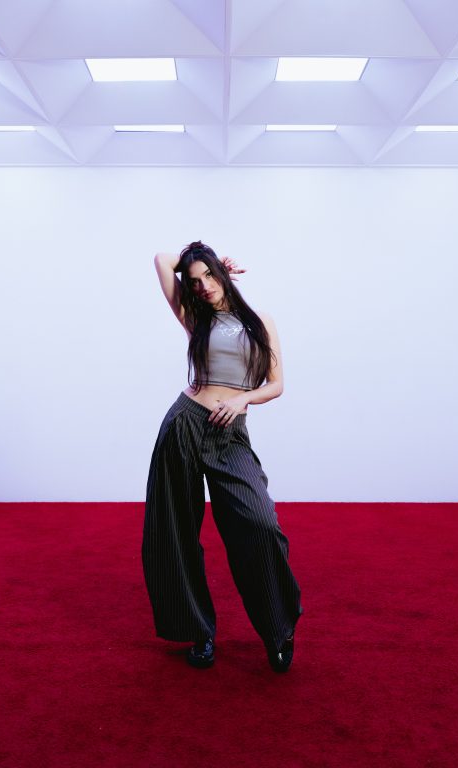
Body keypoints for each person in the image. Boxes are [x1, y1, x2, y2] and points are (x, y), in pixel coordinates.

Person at [143, 241, 303, 673]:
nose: (203, 286)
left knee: (260, 523)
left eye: (209, 276)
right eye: (195, 281)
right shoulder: (195, 318)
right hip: (185, 423)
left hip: (229, 433)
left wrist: (243, 399)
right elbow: (161, 260)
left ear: (224, 273)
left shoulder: (259, 321)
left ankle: (278, 630)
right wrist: (196, 260)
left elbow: (276, 384)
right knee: (175, 531)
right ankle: (199, 632)